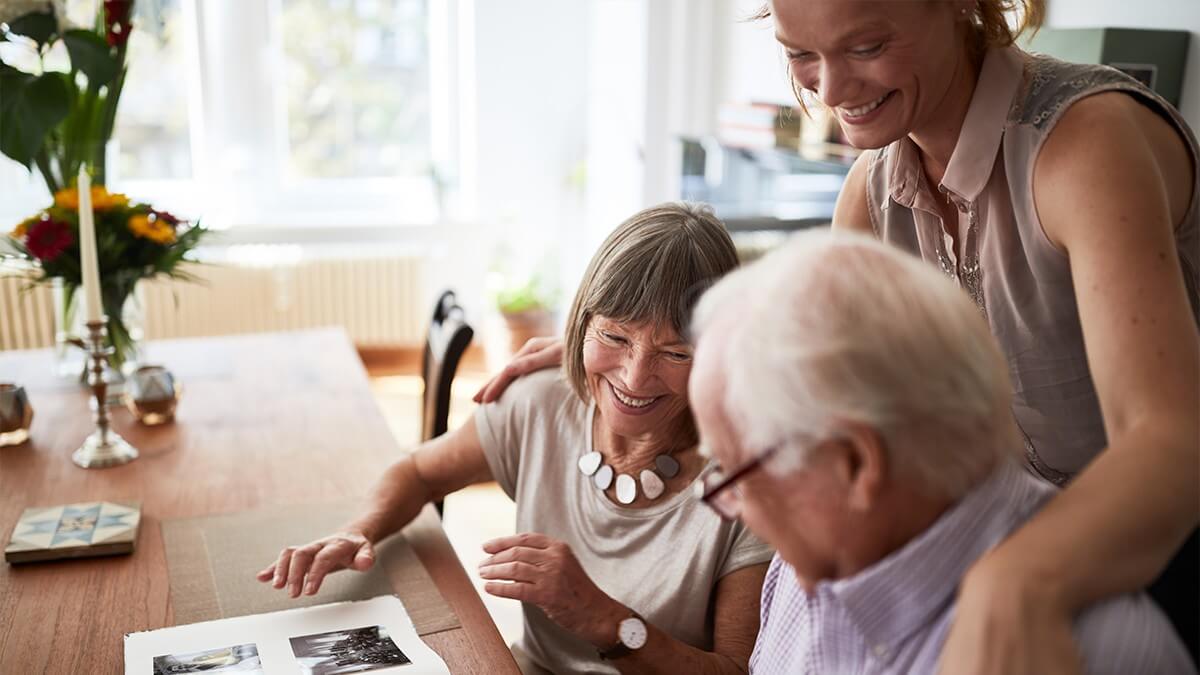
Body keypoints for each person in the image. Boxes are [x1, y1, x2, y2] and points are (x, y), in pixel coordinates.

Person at [476, 1, 1200, 669]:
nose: (830, 88)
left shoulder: (1085, 144)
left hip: (1138, 552)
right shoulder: (872, 187)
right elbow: (807, 368)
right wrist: (607, 352)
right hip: (978, 550)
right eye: (800, 55)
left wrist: (1021, 577)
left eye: (866, 45)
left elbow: (1170, 441)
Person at [257, 202, 773, 674]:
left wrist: (605, 621)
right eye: (614, 336)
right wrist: (359, 530)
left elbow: (733, 670)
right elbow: (417, 471)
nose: (635, 379)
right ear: (580, 324)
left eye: (676, 353)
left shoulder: (751, 481)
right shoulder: (542, 402)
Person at [689, 229, 1195, 674]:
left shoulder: (1082, 652)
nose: (734, 510)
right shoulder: (806, 568)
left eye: (734, 475)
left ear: (856, 464)